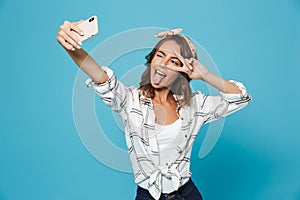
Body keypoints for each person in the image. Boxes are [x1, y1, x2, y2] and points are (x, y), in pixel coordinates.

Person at [56, 20, 252, 200]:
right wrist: (71, 47)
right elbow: (100, 77)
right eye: (160, 55)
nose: (163, 64)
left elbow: (240, 98)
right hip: (148, 196)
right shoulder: (130, 100)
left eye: (174, 61)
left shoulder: (194, 105)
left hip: (187, 194)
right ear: (151, 60)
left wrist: (206, 75)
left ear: (183, 71)